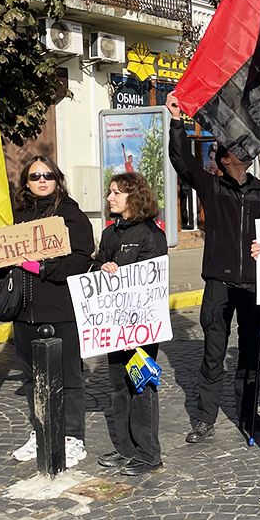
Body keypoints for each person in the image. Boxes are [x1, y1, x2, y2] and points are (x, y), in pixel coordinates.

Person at [165, 92, 260, 445]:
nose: (239, 154)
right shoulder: (212, 188)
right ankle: (205, 418)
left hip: (254, 284)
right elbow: (181, 161)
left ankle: (249, 415)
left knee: (250, 354)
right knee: (212, 353)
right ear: (223, 159)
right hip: (219, 283)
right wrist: (177, 122)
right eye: (232, 150)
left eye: (241, 151)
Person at [0, 156, 95, 467]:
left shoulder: (71, 215)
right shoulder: (16, 215)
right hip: (24, 311)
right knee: (33, 378)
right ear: (27, 182)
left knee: (69, 377)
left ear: (58, 178)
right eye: (35, 176)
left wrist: (45, 267)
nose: (42, 180)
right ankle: (42, 431)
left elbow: (81, 259)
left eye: (48, 174)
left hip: (61, 309)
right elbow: (2, 254)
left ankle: (72, 436)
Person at [94, 172, 168, 477]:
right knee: (117, 388)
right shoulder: (110, 233)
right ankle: (125, 449)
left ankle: (149, 453)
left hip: (141, 328)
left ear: (132, 197)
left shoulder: (152, 235)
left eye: (116, 193)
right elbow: (95, 265)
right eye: (109, 192)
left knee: (141, 387)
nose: (109, 198)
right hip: (114, 326)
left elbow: (152, 282)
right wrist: (102, 267)